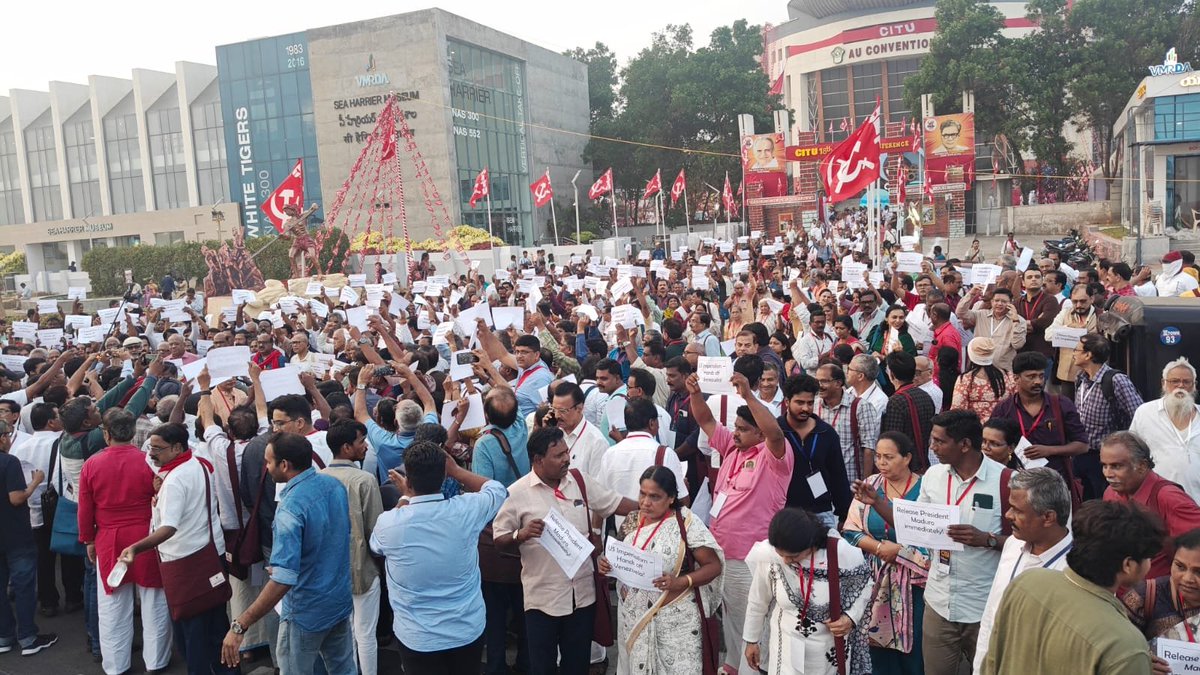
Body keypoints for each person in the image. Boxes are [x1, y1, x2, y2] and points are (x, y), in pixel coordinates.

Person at [493, 427, 637, 675]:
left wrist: (654, 506)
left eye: (567, 452)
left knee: (577, 666)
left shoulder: (579, 481)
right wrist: (521, 534)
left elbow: (613, 503)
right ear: (538, 460)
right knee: (543, 667)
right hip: (543, 599)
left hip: (582, 596)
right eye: (558, 455)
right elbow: (499, 539)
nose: (566, 459)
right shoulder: (516, 493)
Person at [684, 369, 793, 675]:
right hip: (723, 552)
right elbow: (706, 421)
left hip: (751, 556)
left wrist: (748, 394)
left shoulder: (774, 458)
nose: (735, 433)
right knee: (732, 617)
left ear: (760, 432)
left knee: (753, 621)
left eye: (743, 429)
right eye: (735, 427)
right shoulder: (733, 448)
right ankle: (734, 665)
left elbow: (776, 433)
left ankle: (755, 670)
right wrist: (694, 393)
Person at [220, 433, 356, 673]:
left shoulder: (290, 508)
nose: (266, 467)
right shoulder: (333, 485)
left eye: (268, 462)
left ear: (284, 465)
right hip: (339, 601)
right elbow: (332, 538)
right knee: (342, 668)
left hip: (306, 610)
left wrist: (240, 625)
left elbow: (284, 579)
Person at [981, 501, 1163, 675]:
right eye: (1148, 558)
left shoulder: (1026, 582)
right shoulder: (1126, 645)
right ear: (1128, 565)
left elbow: (991, 662)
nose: (1149, 564)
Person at [371, 440, 507, 673]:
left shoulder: (389, 523)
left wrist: (404, 498)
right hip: (466, 630)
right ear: (444, 477)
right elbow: (497, 489)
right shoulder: (466, 510)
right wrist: (457, 470)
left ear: (409, 481)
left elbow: (376, 546)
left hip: (418, 638)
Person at [117, 422, 234, 675]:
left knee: (191, 633)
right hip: (209, 556)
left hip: (185, 563)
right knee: (215, 626)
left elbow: (168, 528)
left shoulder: (175, 480)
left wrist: (135, 548)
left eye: (158, 449)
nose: (151, 453)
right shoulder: (197, 464)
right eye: (150, 447)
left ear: (178, 447)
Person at [597, 466, 724, 675]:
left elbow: (713, 566)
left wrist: (681, 582)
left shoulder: (686, 523)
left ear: (671, 498)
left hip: (677, 623)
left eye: (655, 497)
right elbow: (618, 558)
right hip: (635, 619)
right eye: (643, 494)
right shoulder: (631, 521)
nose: (646, 502)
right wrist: (606, 565)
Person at [78, 409, 171, 675]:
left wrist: (88, 539)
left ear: (106, 434)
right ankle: (156, 661)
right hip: (146, 535)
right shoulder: (148, 462)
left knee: (112, 604)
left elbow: (85, 508)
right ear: (131, 433)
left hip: (108, 537)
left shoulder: (92, 464)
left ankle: (116, 665)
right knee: (154, 599)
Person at [916, 410, 1007, 675]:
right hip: (939, 600)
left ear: (965, 444)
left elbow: (1025, 543)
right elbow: (918, 524)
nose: (932, 447)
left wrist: (987, 540)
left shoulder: (1005, 481)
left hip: (984, 605)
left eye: (939, 441)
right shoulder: (933, 476)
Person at [743, 508, 874, 674]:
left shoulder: (840, 552)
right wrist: (751, 640)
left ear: (812, 545)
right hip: (786, 646)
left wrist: (850, 618)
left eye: (793, 556)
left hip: (828, 649)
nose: (784, 560)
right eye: (780, 554)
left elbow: (865, 586)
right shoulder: (769, 554)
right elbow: (758, 600)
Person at [972, 468, 1073, 673]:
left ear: (1048, 517)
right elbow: (991, 616)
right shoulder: (1013, 544)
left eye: (1017, 510)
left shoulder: (1075, 571)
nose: (1008, 515)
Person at [844, 431, 928, 674]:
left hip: (913, 583)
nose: (881, 463)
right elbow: (850, 529)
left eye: (889, 457)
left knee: (915, 644)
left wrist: (900, 552)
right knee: (876, 648)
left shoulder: (924, 489)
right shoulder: (871, 485)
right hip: (875, 577)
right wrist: (881, 548)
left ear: (907, 458)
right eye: (878, 456)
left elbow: (931, 537)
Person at [320, 421, 383, 675]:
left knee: (343, 634)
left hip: (330, 572)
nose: (365, 446)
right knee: (366, 634)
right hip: (362, 569)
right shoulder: (364, 480)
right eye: (361, 442)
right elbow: (376, 533)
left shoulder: (318, 478)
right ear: (346, 447)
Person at [1101, 431, 1200, 580]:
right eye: (1104, 466)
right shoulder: (1110, 493)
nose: (1108, 473)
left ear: (1141, 466)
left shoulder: (1169, 497)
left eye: (1116, 466)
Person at [989, 351, 1088, 500]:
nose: (1038, 382)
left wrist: (1050, 450)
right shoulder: (1004, 409)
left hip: (1055, 486)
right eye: (1031, 377)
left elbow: (1083, 445)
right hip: (1015, 485)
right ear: (1016, 378)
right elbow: (990, 444)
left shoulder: (1061, 405)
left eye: (1041, 376)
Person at [0, 418, 57, 657]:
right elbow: (16, 498)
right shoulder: (9, 462)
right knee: (24, 586)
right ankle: (28, 637)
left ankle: (4, 635)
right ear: (2, 438)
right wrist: (34, 483)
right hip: (15, 533)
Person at [1073, 334, 1143, 500]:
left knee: (1106, 502)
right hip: (1081, 454)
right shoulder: (1080, 379)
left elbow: (1139, 415)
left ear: (1088, 355)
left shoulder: (1116, 381)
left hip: (1105, 458)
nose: (1073, 353)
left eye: (1076, 350)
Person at [779, 372, 852, 527]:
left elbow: (838, 475)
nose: (805, 408)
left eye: (810, 403)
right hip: (784, 511)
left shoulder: (826, 433)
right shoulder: (777, 432)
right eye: (799, 402)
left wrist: (844, 514)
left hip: (821, 511)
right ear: (787, 401)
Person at [1130, 357, 1200, 501]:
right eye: (1174, 381)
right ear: (1164, 383)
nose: (1180, 386)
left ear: (1194, 386)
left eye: (1186, 382)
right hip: (1158, 501)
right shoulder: (1145, 412)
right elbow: (1132, 453)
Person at [601, 397, 689, 503]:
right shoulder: (665, 454)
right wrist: (685, 488)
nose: (659, 425)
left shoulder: (610, 454)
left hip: (617, 519)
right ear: (652, 423)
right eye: (657, 421)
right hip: (653, 519)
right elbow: (682, 500)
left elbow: (600, 498)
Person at [1123, 529, 1200, 645]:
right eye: (1180, 566)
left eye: (1199, 572)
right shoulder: (1145, 597)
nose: (1187, 579)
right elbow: (1120, 651)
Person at [816, 363, 879, 483]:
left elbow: (869, 448)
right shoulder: (814, 405)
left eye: (824, 381)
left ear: (838, 383)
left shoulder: (860, 407)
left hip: (848, 480)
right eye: (817, 381)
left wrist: (865, 483)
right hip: (819, 479)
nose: (819, 386)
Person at [880, 351, 935, 471]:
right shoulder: (926, 396)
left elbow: (893, 440)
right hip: (923, 462)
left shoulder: (896, 401)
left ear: (892, 375)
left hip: (905, 468)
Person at [955, 287, 1027, 371]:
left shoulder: (1018, 320)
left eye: (1004, 301)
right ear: (992, 302)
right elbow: (960, 312)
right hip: (978, 369)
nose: (999, 304)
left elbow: (1018, 344)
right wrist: (971, 294)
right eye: (996, 301)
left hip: (1002, 370)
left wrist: (1015, 320)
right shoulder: (981, 315)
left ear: (1011, 303)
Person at [952, 338, 1012, 425]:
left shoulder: (966, 379)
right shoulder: (1007, 376)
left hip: (976, 430)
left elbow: (957, 410)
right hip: (1002, 429)